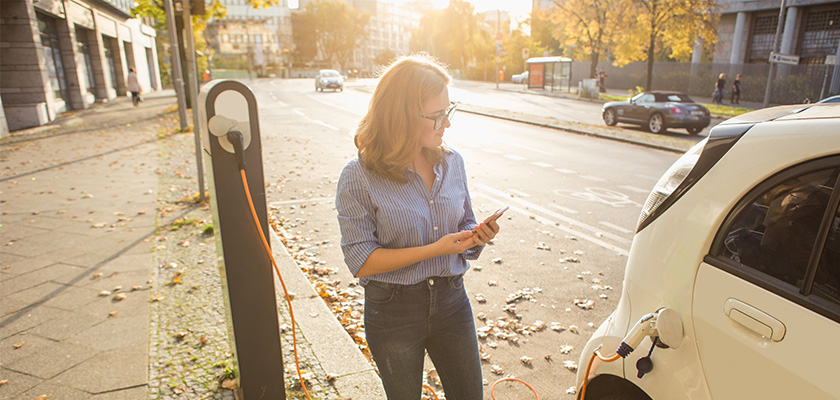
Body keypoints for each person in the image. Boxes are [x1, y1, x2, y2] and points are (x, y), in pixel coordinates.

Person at [336, 53, 499, 400]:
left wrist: (476, 237)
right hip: (393, 308)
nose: (447, 124)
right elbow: (361, 260)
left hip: (452, 300)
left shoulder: (453, 162)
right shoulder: (358, 175)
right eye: (438, 116)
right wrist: (436, 248)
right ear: (402, 116)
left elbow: (464, 228)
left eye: (449, 111)